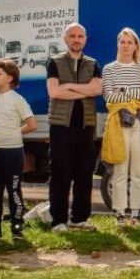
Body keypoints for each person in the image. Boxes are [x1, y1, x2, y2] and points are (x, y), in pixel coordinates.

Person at [101, 27, 140, 224]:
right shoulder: (109, 69)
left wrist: (123, 90)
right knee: (119, 170)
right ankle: (119, 212)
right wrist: (136, 91)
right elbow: (108, 96)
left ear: (136, 46)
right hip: (118, 123)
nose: (126, 45)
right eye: (123, 41)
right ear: (117, 44)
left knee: (138, 170)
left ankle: (136, 212)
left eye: (130, 42)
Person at [46, 22, 103, 232]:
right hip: (61, 126)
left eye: (80, 36)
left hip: (86, 125)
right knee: (60, 173)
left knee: (84, 173)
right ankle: (58, 220)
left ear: (85, 39)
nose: (76, 39)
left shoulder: (93, 63)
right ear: (65, 39)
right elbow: (54, 92)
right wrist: (85, 90)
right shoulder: (54, 62)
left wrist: (69, 86)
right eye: (72, 36)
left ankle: (79, 218)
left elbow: (98, 90)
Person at [0, 58, 35, 242]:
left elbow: (31, 124)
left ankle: (17, 227)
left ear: (10, 77)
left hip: (13, 153)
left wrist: (15, 132)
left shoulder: (18, 100)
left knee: (14, 191)